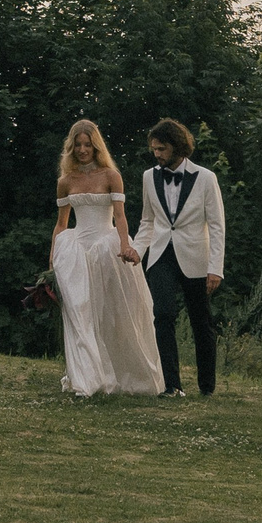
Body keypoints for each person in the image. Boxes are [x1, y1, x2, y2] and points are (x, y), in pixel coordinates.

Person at [48, 120, 166, 398]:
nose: (82, 149)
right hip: (76, 251)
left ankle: (122, 376)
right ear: (71, 147)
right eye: (78, 145)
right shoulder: (65, 182)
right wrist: (53, 258)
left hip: (107, 246)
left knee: (114, 313)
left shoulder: (111, 176)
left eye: (87, 144)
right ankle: (85, 380)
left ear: (96, 146)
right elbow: (62, 224)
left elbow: (120, 216)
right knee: (80, 312)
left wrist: (125, 245)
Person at [134, 117, 227, 398]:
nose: (157, 154)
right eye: (154, 149)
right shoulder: (149, 177)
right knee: (162, 315)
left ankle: (206, 387)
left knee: (201, 322)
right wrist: (137, 252)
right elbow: (147, 221)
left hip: (196, 257)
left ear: (177, 147)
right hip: (161, 254)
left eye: (161, 149)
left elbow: (217, 226)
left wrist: (215, 268)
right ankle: (172, 386)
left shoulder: (206, 178)